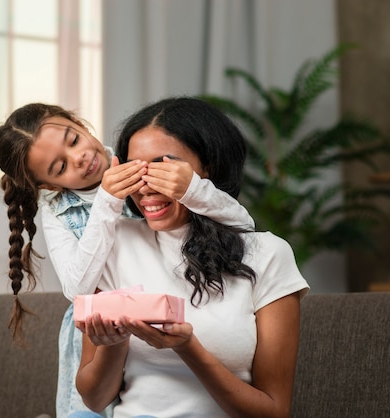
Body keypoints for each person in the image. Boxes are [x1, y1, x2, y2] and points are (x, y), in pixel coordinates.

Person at [0, 102, 255, 417]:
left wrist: (191, 189)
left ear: (79, 123)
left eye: (73, 140)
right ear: (49, 185)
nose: (80, 158)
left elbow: (243, 227)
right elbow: (78, 291)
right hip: (102, 330)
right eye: (60, 168)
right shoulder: (57, 211)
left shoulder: (138, 155)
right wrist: (108, 199)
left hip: (165, 308)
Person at [72, 97, 309, 418]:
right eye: (135, 170)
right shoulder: (115, 242)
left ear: (205, 168)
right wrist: (114, 343)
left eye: (162, 168)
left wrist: (187, 347)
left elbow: (273, 411)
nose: (145, 188)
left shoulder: (267, 254)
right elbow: (95, 400)